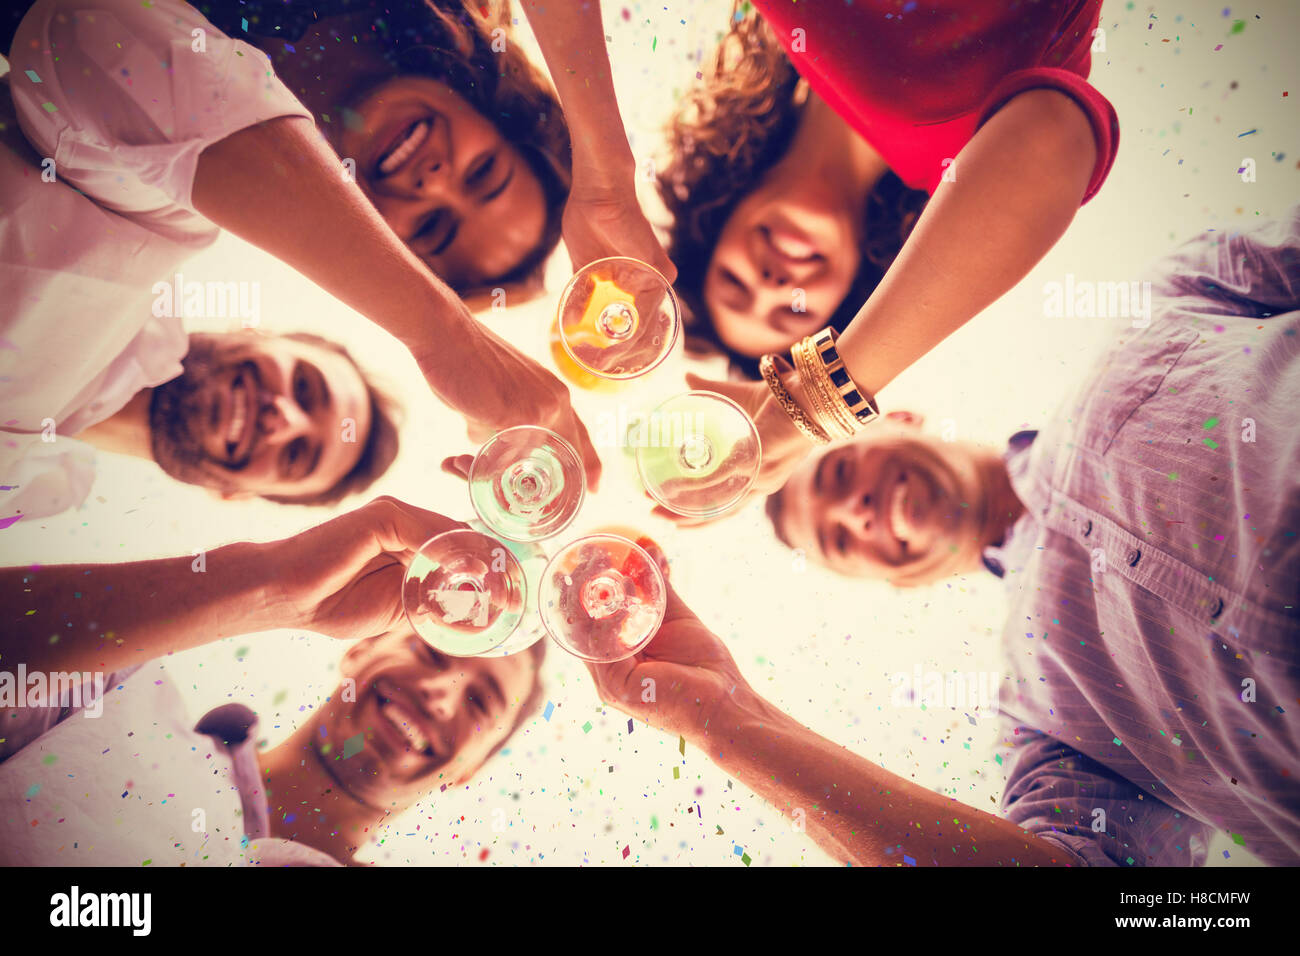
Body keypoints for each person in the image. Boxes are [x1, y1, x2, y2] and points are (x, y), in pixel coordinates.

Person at [587, 212, 1300, 865]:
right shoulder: (1050, 722)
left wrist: (807, 401)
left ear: (900, 419)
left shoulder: (1171, 300)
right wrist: (729, 718)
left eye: (836, 473)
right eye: (840, 541)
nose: (855, 512)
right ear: (898, 581)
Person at [2, 0, 601, 486]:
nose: (436, 182)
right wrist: (445, 332)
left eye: (431, 229)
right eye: (483, 173)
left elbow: (90, 42)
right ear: (492, 113)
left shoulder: (161, 216)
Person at [0, 496, 545, 864]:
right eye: (431, 652)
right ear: (360, 649)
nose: (440, 694)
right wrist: (272, 591)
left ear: (475, 768)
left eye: (480, 701)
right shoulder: (116, 700)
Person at [659, 0, 1117, 371]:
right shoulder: (970, 164)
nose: (772, 285)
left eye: (734, 283)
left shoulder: (776, 23)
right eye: (794, 312)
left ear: (716, 224)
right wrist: (824, 402)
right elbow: (1058, 132)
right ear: (854, 296)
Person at [1, 328, 400, 523]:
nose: (284, 419)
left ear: (233, 493)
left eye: (295, 455)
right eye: (302, 385)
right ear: (254, 333)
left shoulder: (28, 497)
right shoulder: (131, 232)